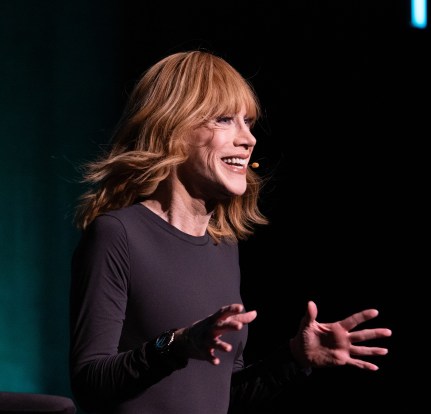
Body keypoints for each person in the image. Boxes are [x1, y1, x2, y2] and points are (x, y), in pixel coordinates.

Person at [68, 49, 392, 414]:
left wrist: (293, 358)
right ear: (172, 128)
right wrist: (176, 344)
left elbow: (221, 395)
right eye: (225, 119)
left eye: (248, 122)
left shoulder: (224, 248)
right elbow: (89, 382)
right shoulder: (118, 235)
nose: (248, 138)